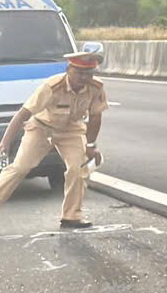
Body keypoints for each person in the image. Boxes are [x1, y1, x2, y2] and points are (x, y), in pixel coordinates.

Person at [0, 41, 108, 229]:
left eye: (88, 74)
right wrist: (5, 142)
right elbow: (23, 114)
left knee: (78, 168)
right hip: (41, 127)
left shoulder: (96, 87)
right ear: (69, 70)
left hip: (72, 130)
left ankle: (71, 216)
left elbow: (95, 117)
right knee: (19, 168)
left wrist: (91, 146)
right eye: (79, 73)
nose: (84, 78)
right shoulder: (52, 86)